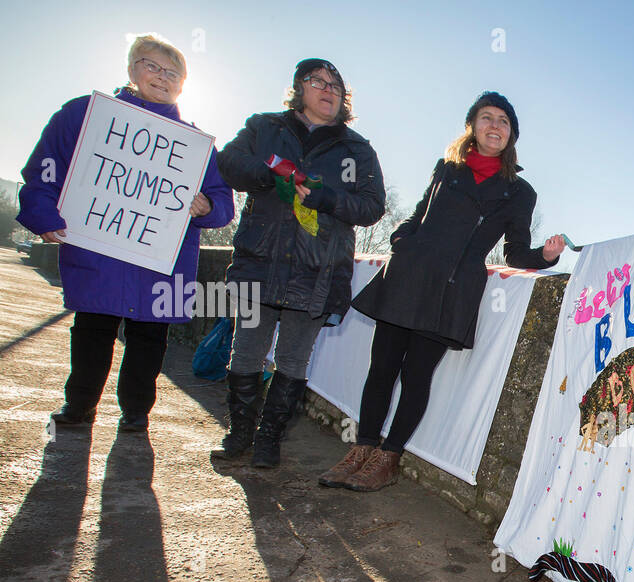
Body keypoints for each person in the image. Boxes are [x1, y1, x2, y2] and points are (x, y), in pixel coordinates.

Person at [320, 91, 564, 491]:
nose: (495, 126)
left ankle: (388, 459)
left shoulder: (520, 192)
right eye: (487, 118)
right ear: (472, 126)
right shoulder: (446, 168)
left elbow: (516, 251)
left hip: (452, 289)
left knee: (416, 376)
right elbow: (419, 213)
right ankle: (361, 450)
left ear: (511, 136)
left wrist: (547, 256)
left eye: (504, 122)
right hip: (408, 276)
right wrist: (403, 240)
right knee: (381, 369)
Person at [18, 34, 233, 433]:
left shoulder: (194, 143)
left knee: (150, 338)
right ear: (132, 69)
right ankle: (79, 405)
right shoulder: (86, 115)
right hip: (101, 248)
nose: (162, 77)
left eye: (173, 73)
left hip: (160, 258)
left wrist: (208, 207)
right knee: (91, 330)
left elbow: (223, 201)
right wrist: (43, 214)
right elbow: (47, 167)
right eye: (152, 66)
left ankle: (136, 411)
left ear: (183, 85)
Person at [214, 58, 385, 467]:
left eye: (336, 85)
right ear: (298, 88)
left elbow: (372, 205)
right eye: (317, 81)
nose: (328, 89)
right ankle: (239, 434)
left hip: (317, 269)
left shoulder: (357, 149)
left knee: (293, 358)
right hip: (262, 258)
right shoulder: (264, 127)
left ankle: (269, 439)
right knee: (246, 350)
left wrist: (329, 200)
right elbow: (229, 163)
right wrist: (271, 174)